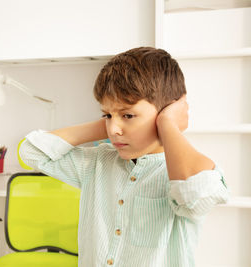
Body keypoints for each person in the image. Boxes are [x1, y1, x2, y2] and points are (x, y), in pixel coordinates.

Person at [18, 47, 229, 267]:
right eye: (107, 115)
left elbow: (196, 199)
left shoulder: (181, 171)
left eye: (128, 115)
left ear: (168, 111)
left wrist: (168, 124)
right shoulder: (98, 162)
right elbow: (31, 152)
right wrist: (107, 124)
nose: (113, 129)